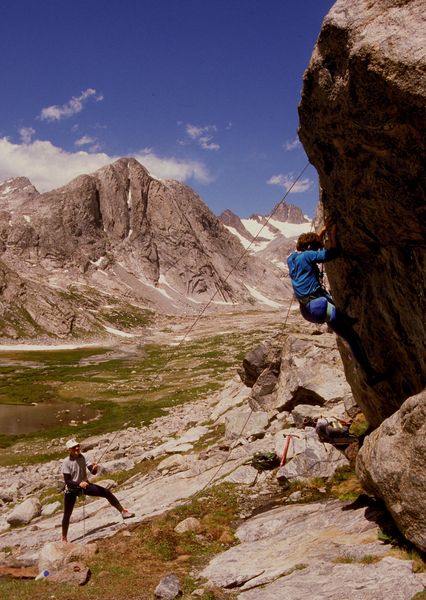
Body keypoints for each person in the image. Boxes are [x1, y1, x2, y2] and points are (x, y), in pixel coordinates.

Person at [287, 221, 381, 384]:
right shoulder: (309, 255)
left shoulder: (291, 259)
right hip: (319, 306)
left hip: (307, 310)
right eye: (315, 247)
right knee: (353, 338)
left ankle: (344, 318)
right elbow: (333, 253)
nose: (316, 250)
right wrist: (334, 235)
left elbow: (308, 249)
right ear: (309, 247)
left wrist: (321, 233)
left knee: (334, 314)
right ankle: (370, 374)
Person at [61, 439, 134, 542]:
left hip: (85, 485)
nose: (77, 448)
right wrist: (79, 483)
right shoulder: (66, 462)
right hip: (72, 489)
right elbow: (68, 481)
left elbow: (93, 471)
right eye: (74, 447)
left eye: (78, 446)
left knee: (106, 492)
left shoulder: (84, 456)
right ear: (69, 450)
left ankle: (123, 512)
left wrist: (95, 468)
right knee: (67, 514)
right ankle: (64, 537)